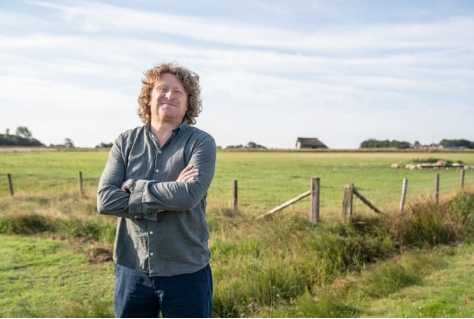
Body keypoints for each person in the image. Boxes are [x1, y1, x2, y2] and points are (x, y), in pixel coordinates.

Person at [97, 62, 216, 318]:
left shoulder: (201, 142)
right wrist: (167, 195)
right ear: (148, 98)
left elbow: (189, 196)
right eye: (162, 89)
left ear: (188, 103)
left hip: (186, 271)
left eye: (178, 92)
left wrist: (131, 188)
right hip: (132, 269)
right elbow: (105, 200)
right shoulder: (125, 142)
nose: (170, 95)